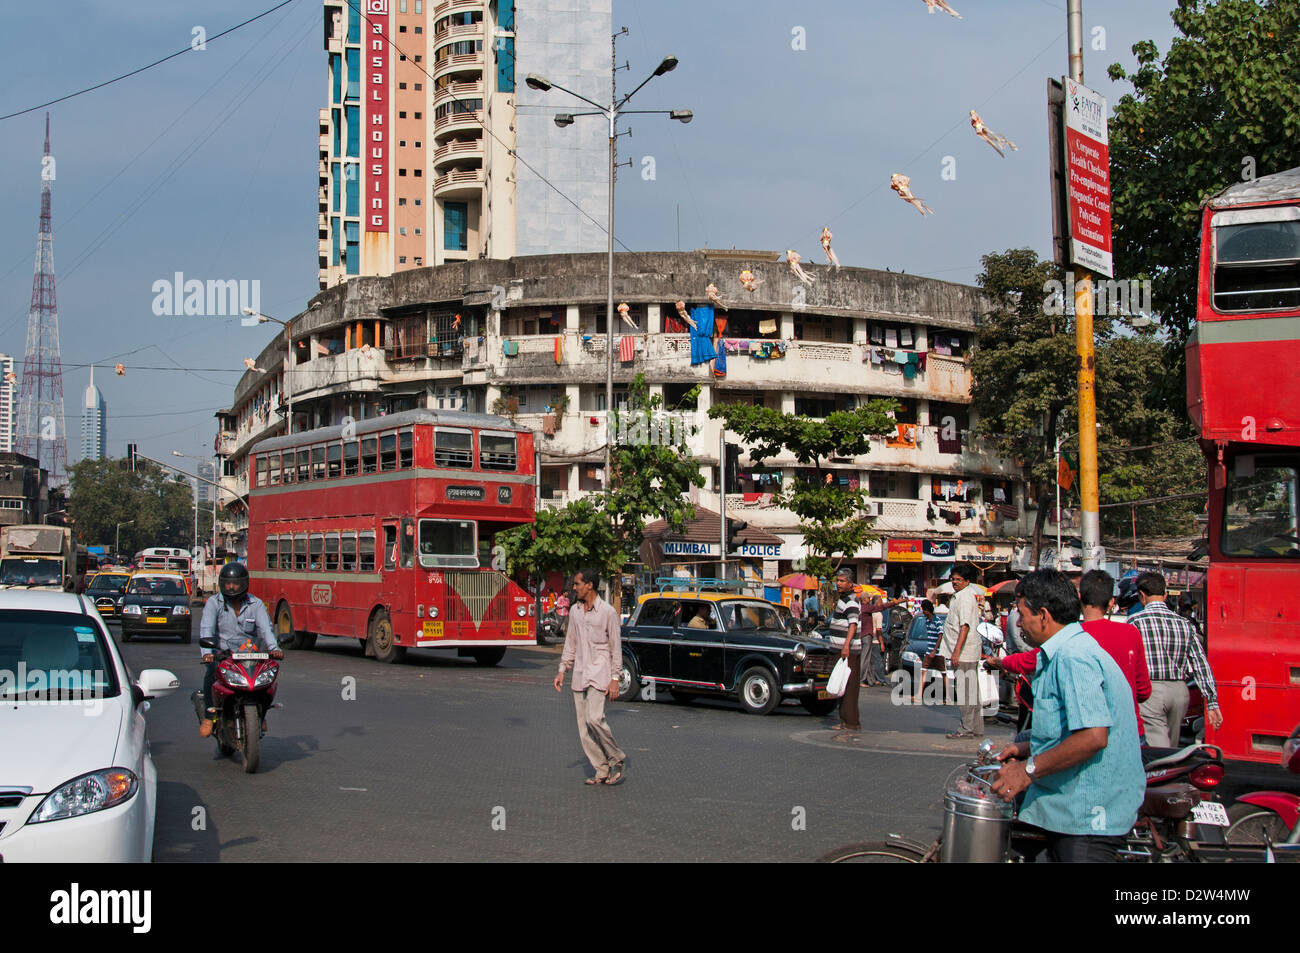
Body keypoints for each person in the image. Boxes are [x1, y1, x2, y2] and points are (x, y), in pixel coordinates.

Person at [990, 570, 1146, 862]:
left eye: (1022, 615)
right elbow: (1071, 727)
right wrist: (1025, 747)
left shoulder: (1075, 656)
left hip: (1088, 814)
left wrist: (1027, 769)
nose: (1019, 623)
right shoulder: (1064, 652)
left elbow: (1093, 737)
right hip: (1071, 808)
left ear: (1044, 616)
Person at [1128, 572, 1222, 747]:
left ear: (1141, 595)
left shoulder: (1134, 622)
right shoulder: (1184, 623)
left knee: (1158, 749)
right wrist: (1212, 701)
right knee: (1171, 745)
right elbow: (1200, 663)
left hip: (1150, 692)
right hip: (1180, 691)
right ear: (1165, 594)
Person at [553, 567, 626, 785]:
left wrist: (615, 678)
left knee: (595, 719)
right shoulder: (575, 611)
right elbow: (571, 643)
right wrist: (562, 669)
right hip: (580, 673)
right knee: (583, 729)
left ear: (589, 585)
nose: (574, 588)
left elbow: (616, 647)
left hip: (600, 672)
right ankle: (601, 769)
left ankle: (616, 758)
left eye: (577, 584)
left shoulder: (607, 612)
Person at [197, 562, 281, 738]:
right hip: (223, 656)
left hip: (251, 654)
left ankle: (261, 713)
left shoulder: (255, 604)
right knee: (210, 673)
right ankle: (209, 715)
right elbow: (207, 629)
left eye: (235, 583)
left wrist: (274, 649)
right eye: (227, 583)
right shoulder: (214, 603)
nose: (231, 587)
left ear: (244, 584)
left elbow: (266, 629)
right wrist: (207, 654)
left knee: (266, 679)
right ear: (222, 583)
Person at [941, 564, 984, 739]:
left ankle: (967, 728)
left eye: (959, 579)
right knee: (972, 691)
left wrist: (957, 652)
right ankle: (975, 728)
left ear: (967, 581)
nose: (955, 582)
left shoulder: (964, 598)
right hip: (966, 651)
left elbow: (964, 626)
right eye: (953, 579)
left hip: (965, 652)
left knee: (966, 692)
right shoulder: (959, 597)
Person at [827, 568, 864, 731]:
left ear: (850, 583)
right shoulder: (844, 598)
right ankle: (845, 719)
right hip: (841, 649)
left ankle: (851, 722)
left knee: (849, 686)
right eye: (838, 580)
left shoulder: (851, 600)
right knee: (842, 684)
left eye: (842, 581)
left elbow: (853, 624)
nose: (839, 584)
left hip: (848, 651)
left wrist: (846, 646)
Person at [861, 592, 909, 687]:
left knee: (869, 660)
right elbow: (881, 608)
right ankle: (861, 680)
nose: (869, 600)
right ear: (865, 600)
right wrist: (896, 602)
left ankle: (871, 680)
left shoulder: (864, 608)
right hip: (866, 636)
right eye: (868, 598)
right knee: (865, 659)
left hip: (866, 636)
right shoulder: (866, 608)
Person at [905, 599, 943, 702]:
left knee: (944, 673)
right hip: (928, 651)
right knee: (923, 672)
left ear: (927, 610)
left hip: (938, 652)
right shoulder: (925, 620)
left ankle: (947, 696)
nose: (923, 612)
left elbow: (940, 635)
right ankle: (919, 695)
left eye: (923, 610)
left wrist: (935, 650)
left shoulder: (937, 620)